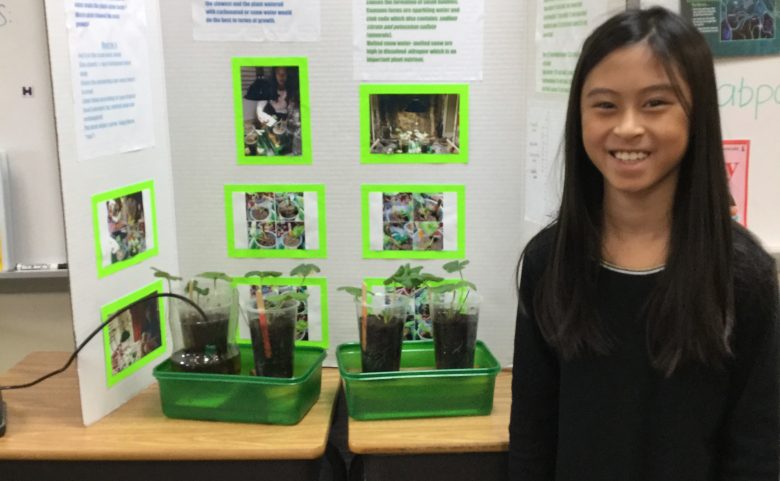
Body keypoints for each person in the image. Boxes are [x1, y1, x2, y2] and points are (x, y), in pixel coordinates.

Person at [509, 7, 779, 481]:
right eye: (605, 105)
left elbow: (757, 450)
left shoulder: (742, 275)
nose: (628, 127)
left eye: (655, 103)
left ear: (697, 115)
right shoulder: (549, 262)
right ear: (579, 117)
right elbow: (533, 434)